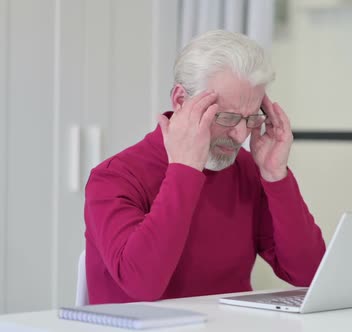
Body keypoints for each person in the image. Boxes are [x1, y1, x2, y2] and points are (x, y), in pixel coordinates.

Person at [84, 30, 326, 304]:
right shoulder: (115, 177)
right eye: (225, 117)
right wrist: (185, 169)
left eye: (250, 119)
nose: (239, 135)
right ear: (180, 100)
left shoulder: (247, 170)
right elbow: (142, 286)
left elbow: (309, 274)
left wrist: (275, 176)